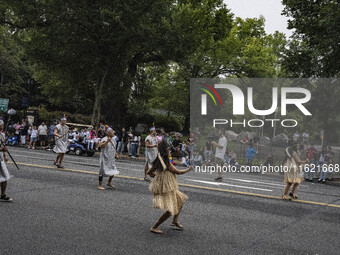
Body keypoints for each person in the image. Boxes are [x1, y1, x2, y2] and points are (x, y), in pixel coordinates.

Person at [147, 141, 191, 234]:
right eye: (168, 148)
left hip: (168, 186)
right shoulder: (165, 162)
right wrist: (189, 169)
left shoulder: (159, 159)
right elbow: (178, 172)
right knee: (170, 209)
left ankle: (175, 220)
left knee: (180, 200)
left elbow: (149, 173)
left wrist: (158, 178)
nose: (169, 149)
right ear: (166, 149)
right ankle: (154, 227)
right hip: (166, 188)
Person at [0, 120, 12, 202]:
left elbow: (3, 146)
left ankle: (3, 194)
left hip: (0, 158)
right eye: (2, 124)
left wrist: (5, 155)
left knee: (4, 176)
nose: (3, 126)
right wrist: (2, 149)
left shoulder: (2, 134)